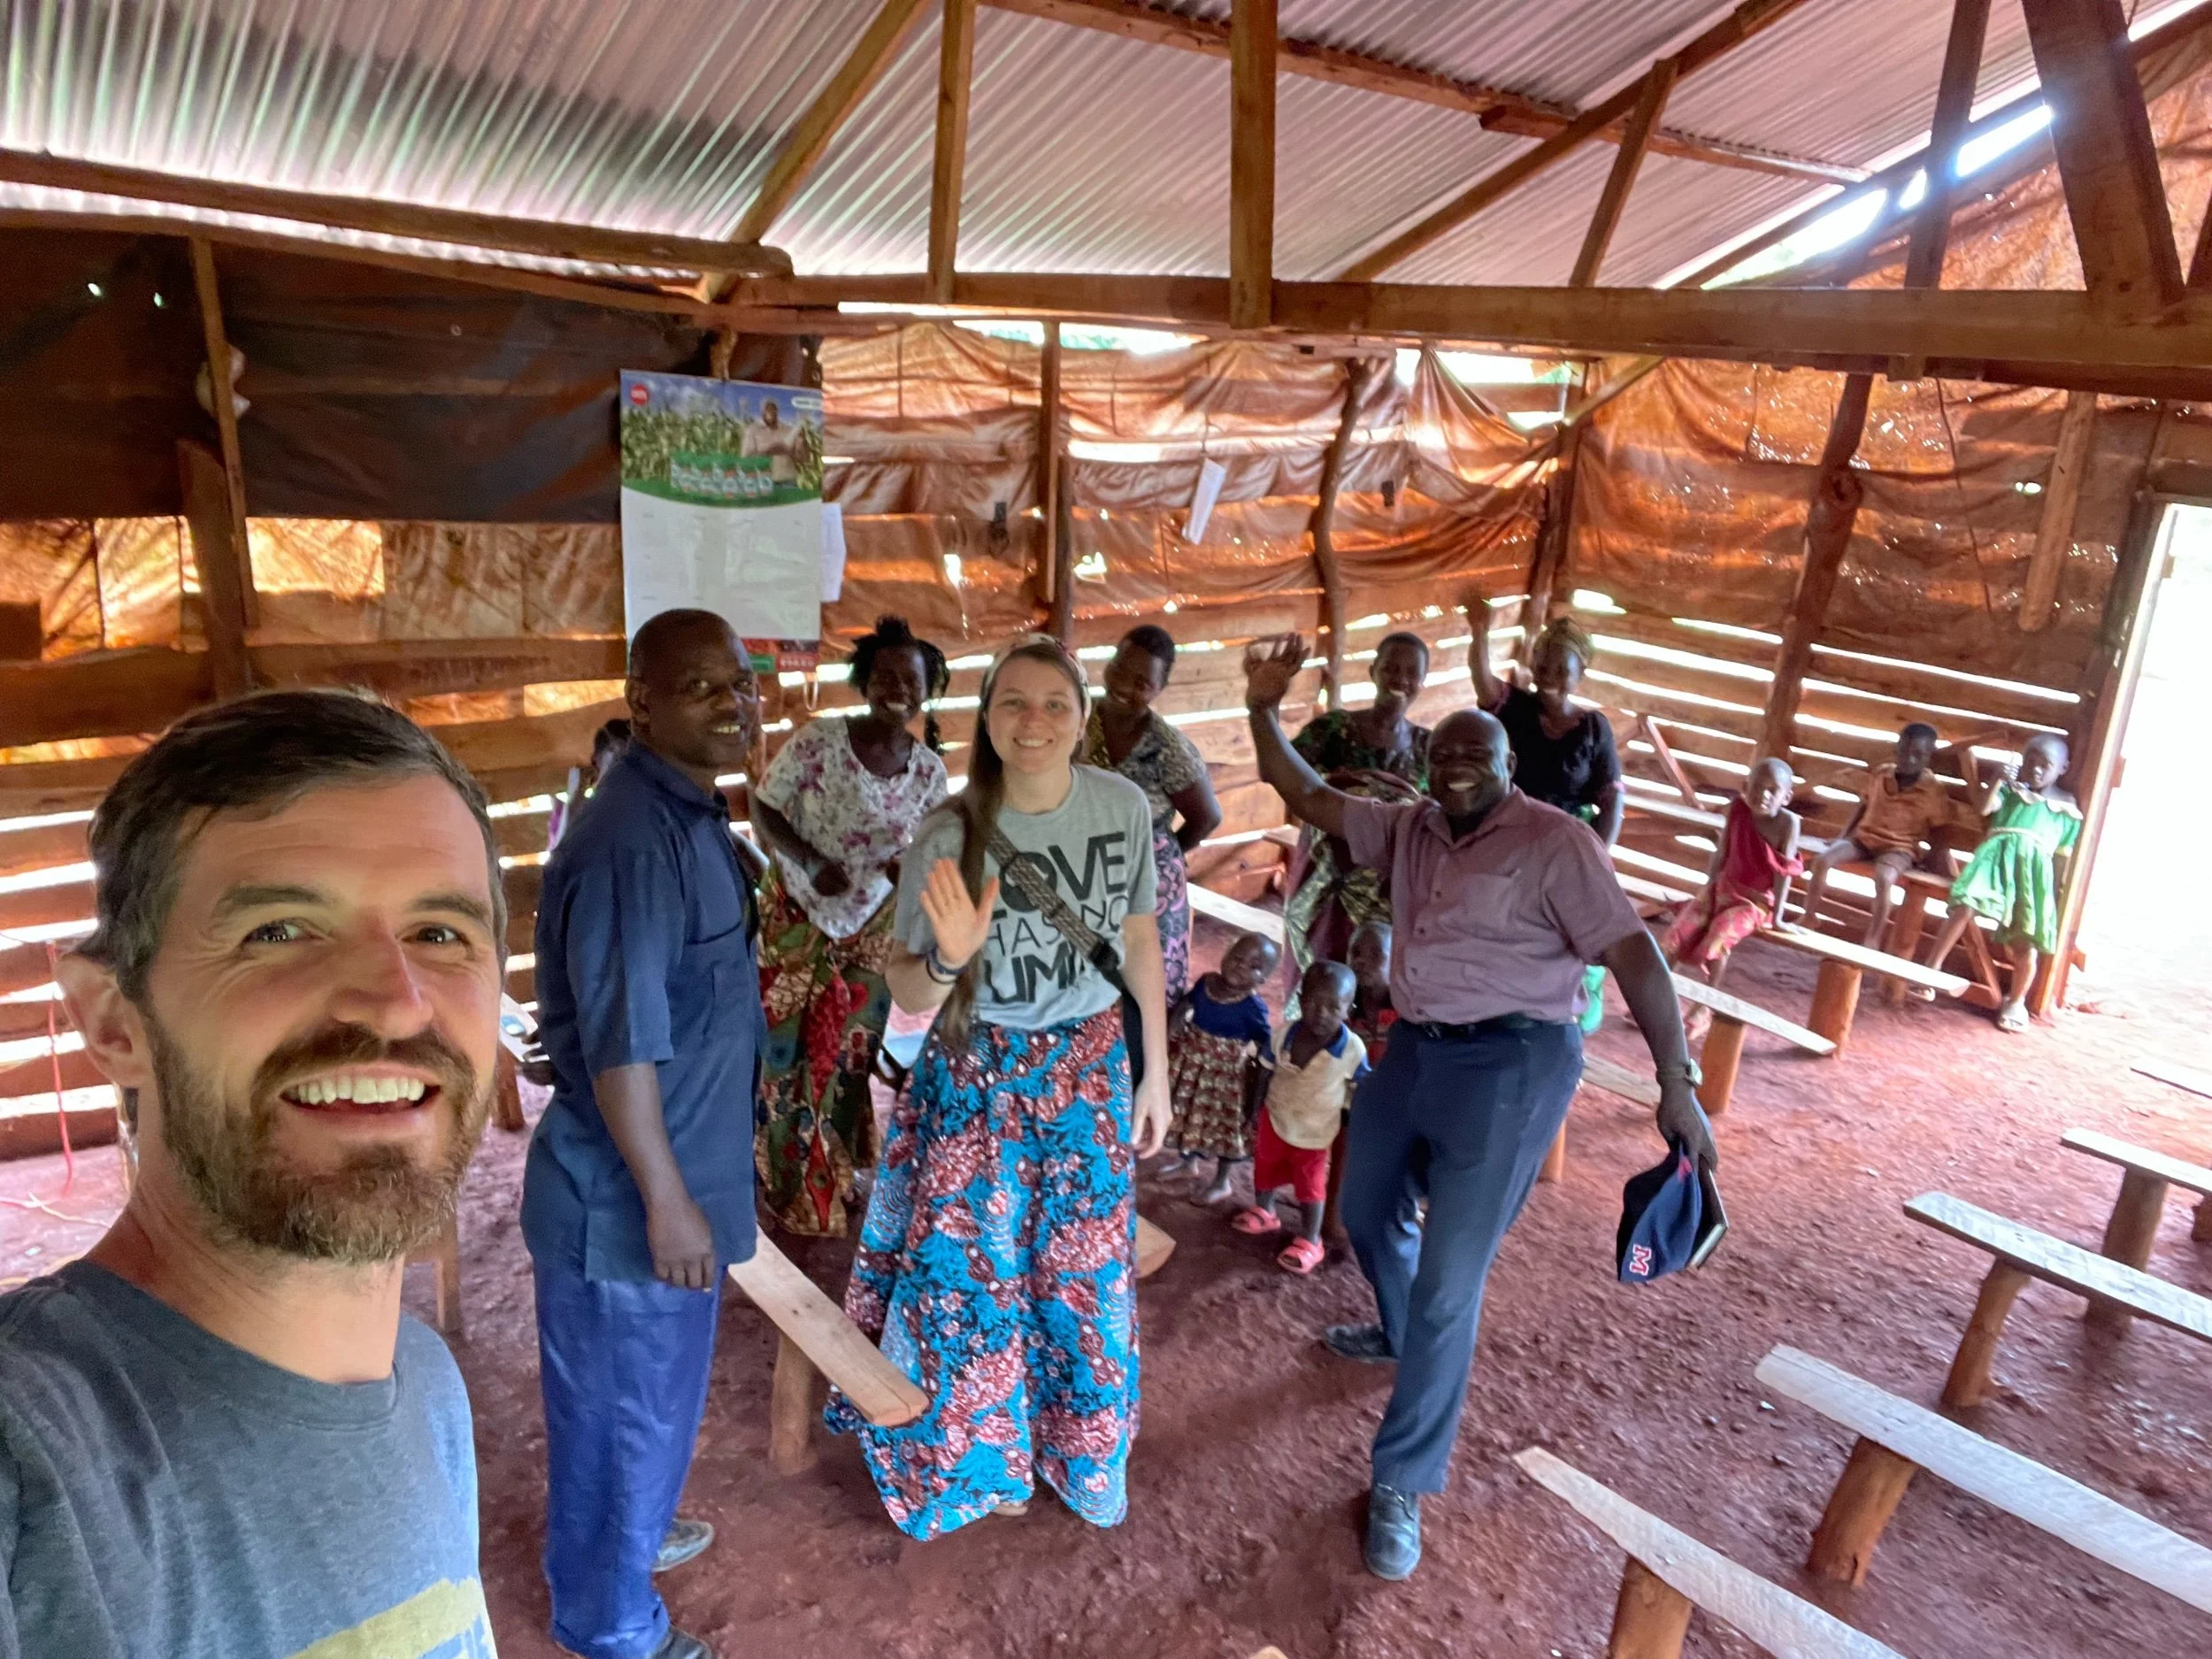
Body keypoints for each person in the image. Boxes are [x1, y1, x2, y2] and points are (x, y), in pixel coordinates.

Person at [14, 690, 503, 1655]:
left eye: (440, 933)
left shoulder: (429, 1391)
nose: (399, 1005)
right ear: (114, 1022)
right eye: (278, 930)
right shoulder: (37, 1467)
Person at [1242, 633, 1716, 1583]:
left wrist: (1676, 1085)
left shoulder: (1555, 841)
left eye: (1479, 756)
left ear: (1507, 766)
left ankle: (1402, 1481)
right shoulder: (1408, 825)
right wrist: (1261, 707)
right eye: (1446, 754)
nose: (1459, 768)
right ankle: (1401, 1332)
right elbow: (1306, 796)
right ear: (1428, 761)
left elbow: (1633, 956)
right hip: (1414, 1049)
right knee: (1368, 1209)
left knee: (1453, 1281)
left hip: (1515, 1063)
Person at [830, 634, 1172, 1540]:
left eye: (1055, 703)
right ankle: (978, 1472)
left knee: (1083, 1275)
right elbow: (907, 989)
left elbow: (1138, 942)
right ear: (985, 719)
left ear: (1082, 717)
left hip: (1089, 1073)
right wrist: (948, 954)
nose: (1034, 721)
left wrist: (1155, 1075)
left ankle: (1082, 1457)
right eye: (1012, 702)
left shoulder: (1121, 808)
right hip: (975, 1075)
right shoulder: (947, 834)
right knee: (969, 1286)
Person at [522, 609, 766, 1659]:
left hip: (673, 1182)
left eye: (742, 683)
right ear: (644, 702)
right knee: (624, 1418)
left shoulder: (687, 817)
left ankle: (626, 1538)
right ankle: (611, 1625)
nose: (733, 703)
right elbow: (624, 1047)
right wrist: (667, 1204)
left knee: (646, 1410)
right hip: (625, 1206)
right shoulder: (632, 840)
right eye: (703, 685)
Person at [749, 616, 950, 1235]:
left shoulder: (930, 773)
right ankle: (781, 1178)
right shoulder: (816, 743)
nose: (898, 689)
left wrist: (906, 865)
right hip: (795, 919)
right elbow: (763, 807)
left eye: (911, 680)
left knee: (844, 1057)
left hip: (871, 928)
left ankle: (831, 1173)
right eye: (885, 676)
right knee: (781, 1054)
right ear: (864, 683)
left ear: (928, 689)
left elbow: (932, 846)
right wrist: (809, 859)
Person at [1467, 601, 1624, 1033]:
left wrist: (1598, 856)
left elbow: (1611, 799)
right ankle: (1493, 1004)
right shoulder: (1514, 708)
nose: (1549, 674)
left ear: (1581, 675)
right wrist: (1480, 630)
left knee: (1566, 931)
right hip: (1509, 832)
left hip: (1568, 843)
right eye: (1543, 664)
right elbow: (1482, 679)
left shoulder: (1594, 729)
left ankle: (1562, 1012)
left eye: (1561, 667)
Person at [1281, 631, 1432, 1016]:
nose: (1400, 679)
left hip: (1388, 888)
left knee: (1376, 973)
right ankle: (1308, 1055)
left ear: (1423, 680)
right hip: (1324, 879)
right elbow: (1290, 779)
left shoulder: (1428, 748)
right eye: (1390, 669)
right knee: (1318, 965)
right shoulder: (1332, 729)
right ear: (1372, 671)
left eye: (1411, 672)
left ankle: (1364, 1056)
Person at [1087, 624, 1222, 1001]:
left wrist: (1163, 855)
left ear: (1160, 689)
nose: (1124, 686)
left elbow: (1207, 817)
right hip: (1083, 870)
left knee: (1146, 990)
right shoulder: (1078, 722)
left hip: (1147, 884)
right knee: (1089, 985)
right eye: (1119, 669)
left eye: (1142, 682)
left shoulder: (1167, 747)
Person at [1916, 733, 2080, 1032]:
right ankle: (1931, 970)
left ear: (2063, 768)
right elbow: (1983, 809)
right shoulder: (2009, 789)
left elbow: (2061, 857)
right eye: (2030, 762)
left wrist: (2052, 893)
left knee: (2026, 938)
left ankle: (2017, 1001)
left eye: (2045, 765)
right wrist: (1996, 780)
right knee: (1965, 904)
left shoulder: (2067, 807)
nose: (2036, 770)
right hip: (1993, 859)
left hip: (2032, 872)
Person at [1232, 961, 1367, 1275]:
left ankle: (1310, 1240)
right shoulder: (1284, 1035)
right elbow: (1264, 1069)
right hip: (1276, 1119)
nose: (1321, 1013)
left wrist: (1356, 1122)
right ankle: (1266, 1211)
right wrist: (1254, 1108)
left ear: (1349, 1009)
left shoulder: (1352, 1050)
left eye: (1334, 1006)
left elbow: (1362, 1088)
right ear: (1299, 998)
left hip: (1316, 1133)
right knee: (1264, 1170)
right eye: (1312, 1003)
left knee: (1311, 1188)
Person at [1798, 721, 1951, 946]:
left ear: (1929, 757)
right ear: (1896, 748)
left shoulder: (1932, 790)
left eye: (1918, 755)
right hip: (1862, 840)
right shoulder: (1881, 774)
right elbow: (1863, 805)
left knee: (1883, 878)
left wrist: (1932, 859)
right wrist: (1842, 837)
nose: (1909, 759)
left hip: (1899, 848)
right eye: (1904, 751)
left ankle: (1873, 937)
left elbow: (1939, 829)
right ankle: (1809, 916)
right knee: (1822, 861)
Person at [1662, 757, 1802, 998]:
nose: (1763, 795)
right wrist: (1707, 889)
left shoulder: (1787, 823)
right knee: (1681, 930)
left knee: (1719, 935)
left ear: (1787, 797)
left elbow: (1784, 873)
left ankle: (1706, 1004)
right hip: (1722, 888)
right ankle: (1659, 996)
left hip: (1753, 904)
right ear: (1745, 787)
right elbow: (1722, 851)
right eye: (1757, 786)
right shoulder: (1738, 808)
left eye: (1773, 790)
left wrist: (1778, 917)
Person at [1158, 929, 1279, 1202]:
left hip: (1225, 1079)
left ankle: (1221, 1181)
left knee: (1225, 1128)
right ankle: (1188, 1162)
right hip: (1190, 1065)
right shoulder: (1207, 983)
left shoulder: (1252, 1008)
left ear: (1264, 979)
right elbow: (1186, 1004)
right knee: (1187, 1114)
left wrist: (1258, 1079)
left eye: (1254, 966)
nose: (1240, 966)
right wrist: (1174, 1025)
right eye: (1237, 957)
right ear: (1226, 955)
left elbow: (1265, 1043)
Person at [549, 717, 633, 853]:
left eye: (629, 757)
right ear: (597, 759)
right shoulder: (584, 809)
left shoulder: (642, 806)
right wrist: (577, 792)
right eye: (616, 755)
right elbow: (562, 855)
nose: (624, 765)